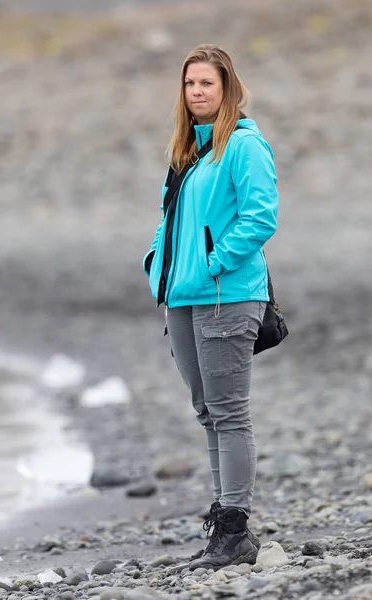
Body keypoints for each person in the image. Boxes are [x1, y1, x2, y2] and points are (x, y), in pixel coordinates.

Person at [142, 44, 279, 570]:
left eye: (207, 84)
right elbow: (167, 218)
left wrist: (211, 264)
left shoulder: (244, 146)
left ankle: (235, 531)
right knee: (206, 413)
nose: (197, 92)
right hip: (181, 297)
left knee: (229, 412)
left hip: (228, 294)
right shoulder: (185, 149)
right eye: (189, 83)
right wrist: (159, 263)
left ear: (227, 90)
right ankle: (223, 521)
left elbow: (260, 217)